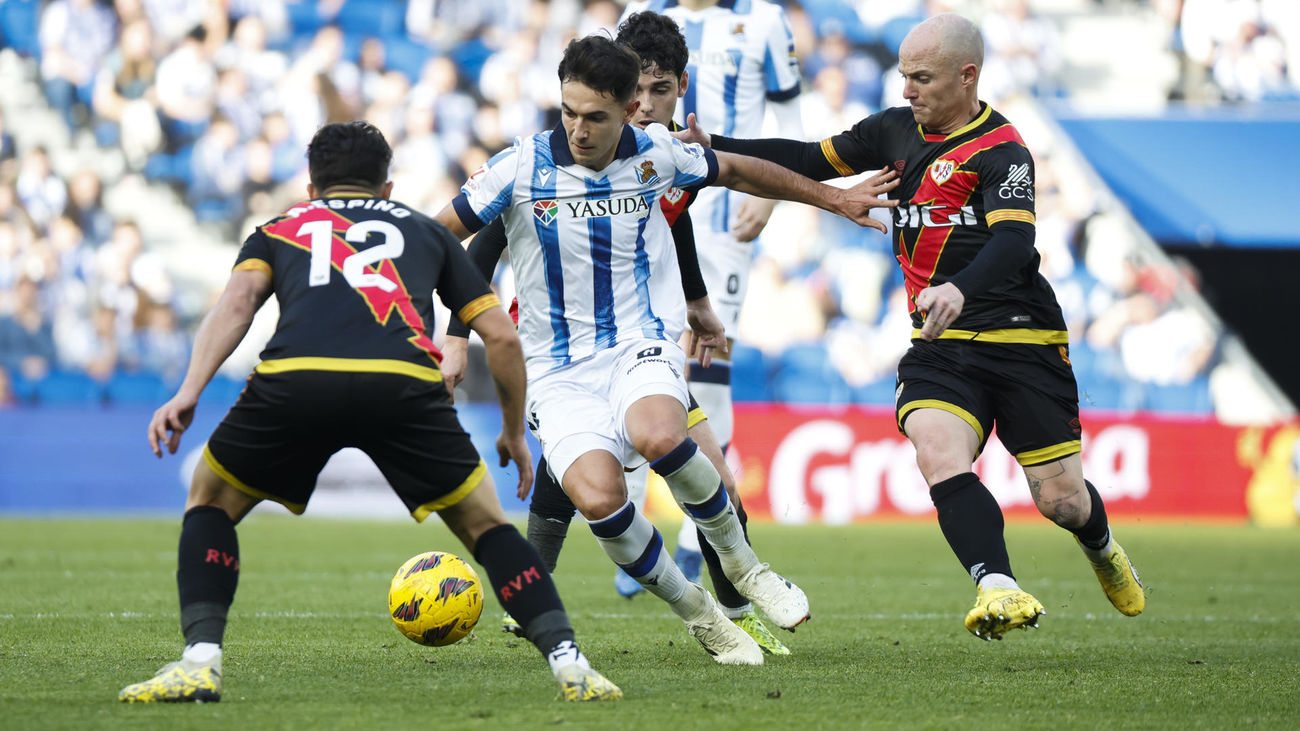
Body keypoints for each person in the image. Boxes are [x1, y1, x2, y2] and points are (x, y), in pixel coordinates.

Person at [676, 12, 1146, 640]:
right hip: (939, 343)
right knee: (937, 451)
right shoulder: (893, 130)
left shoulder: (1003, 151)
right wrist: (715, 147)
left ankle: (1102, 546)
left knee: (1062, 501)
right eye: (904, 75)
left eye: (922, 78)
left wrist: (960, 287)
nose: (907, 90)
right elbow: (809, 159)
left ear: (967, 76)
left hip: (1021, 337)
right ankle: (998, 586)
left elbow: (1014, 242)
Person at [118, 121, 621, 704]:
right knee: (487, 528)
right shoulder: (426, 232)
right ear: (387, 188)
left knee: (209, 501)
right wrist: (513, 432)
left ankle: (200, 662)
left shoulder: (280, 228)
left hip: (297, 380)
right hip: (402, 385)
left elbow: (236, 305)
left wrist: (188, 391)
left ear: (312, 188)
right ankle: (570, 664)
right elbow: (502, 338)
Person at [433, 35, 898, 665]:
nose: (578, 129)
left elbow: (741, 170)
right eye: (568, 112)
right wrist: (444, 328)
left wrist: (835, 198)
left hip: (635, 342)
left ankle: (746, 568)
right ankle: (701, 615)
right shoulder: (519, 168)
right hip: (554, 369)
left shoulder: (657, 153)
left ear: (628, 110)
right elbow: (441, 237)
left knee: (659, 435)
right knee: (599, 499)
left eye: (595, 116)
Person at [617, 0, 807, 588]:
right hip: (642, 204)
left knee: (708, 362)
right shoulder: (643, 13)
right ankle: (633, 523)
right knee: (637, 355)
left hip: (724, 219)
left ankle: (691, 535)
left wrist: (770, 196)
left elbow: (789, 115)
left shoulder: (765, 20)